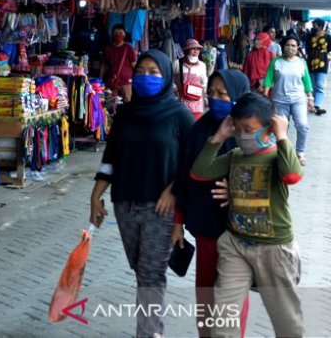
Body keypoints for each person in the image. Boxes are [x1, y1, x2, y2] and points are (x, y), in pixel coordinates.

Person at [90, 49, 194, 338]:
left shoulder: (179, 114)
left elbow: (194, 159)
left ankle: (149, 334)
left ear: (165, 77)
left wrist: (174, 192)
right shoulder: (125, 114)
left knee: (150, 275)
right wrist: (95, 196)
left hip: (160, 208)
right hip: (124, 204)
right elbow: (111, 157)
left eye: (153, 72)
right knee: (141, 270)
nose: (145, 77)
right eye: (140, 71)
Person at [191, 93, 304, 338]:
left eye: (249, 129)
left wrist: (283, 136)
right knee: (223, 318)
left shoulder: (276, 157)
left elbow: (292, 176)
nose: (243, 135)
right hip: (236, 245)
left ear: (269, 128)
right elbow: (200, 172)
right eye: (239, 129)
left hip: (274, 249)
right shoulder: (235, 157)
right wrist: (219, 137)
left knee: (286, 320)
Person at [172, 69, 251, 337]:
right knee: (206, 293)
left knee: (232, 299)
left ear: (239, 96)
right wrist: (178, 223)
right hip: (206, 230)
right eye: (212, 93)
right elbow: (185, 177)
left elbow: (271, 178)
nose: (215, 98)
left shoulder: (251, 132)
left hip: (238, 233)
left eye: (223, 93)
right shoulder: (200, 130)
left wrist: (237, 191)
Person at [262, 34, 313, 165]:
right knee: (281, 128)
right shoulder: (276, 61)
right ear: (283, 46)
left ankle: (300, 152)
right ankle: (282, 152)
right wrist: (265, 93)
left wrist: (310, 97)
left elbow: (307, 81)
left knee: (302, 126)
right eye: (288, 45)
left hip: (298, 100)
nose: (290, 48)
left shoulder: (301, 63)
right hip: (279, 100)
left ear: (298, 48)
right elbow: (268, 78)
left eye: (293, 46)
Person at [101, 24, 137, 102]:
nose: (118, 35)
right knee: (109, 104)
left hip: (126, 84)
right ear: (112, 34)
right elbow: (104, 66)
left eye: (121, 33)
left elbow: (134, 66)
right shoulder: (108, 49)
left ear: (124, 34)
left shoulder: (129, 49)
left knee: (127, 104)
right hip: (111, 82)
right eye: (115, 33)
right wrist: (100, 80)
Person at [177, 38, 208, 119]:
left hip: (197, 101)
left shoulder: (202, 65)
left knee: (195, 124)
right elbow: (171, 79)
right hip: (182, 101)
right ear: (187, 50)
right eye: (193, 49)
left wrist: (205, 96)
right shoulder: (178, 63)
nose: (196, 51)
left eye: (198, 49)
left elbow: (204, 81)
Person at [305, 18, 331, 115]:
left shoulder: (328, 37)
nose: (313, 27)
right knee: (311, 85)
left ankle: (316, 105)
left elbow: (329, 49)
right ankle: (312, 104)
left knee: (319, 85)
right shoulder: (309, 36)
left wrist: (320, 52)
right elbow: (307, 48)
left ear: (320, 26)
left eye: (315, 25)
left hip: (322, 64)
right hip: (310, 63)